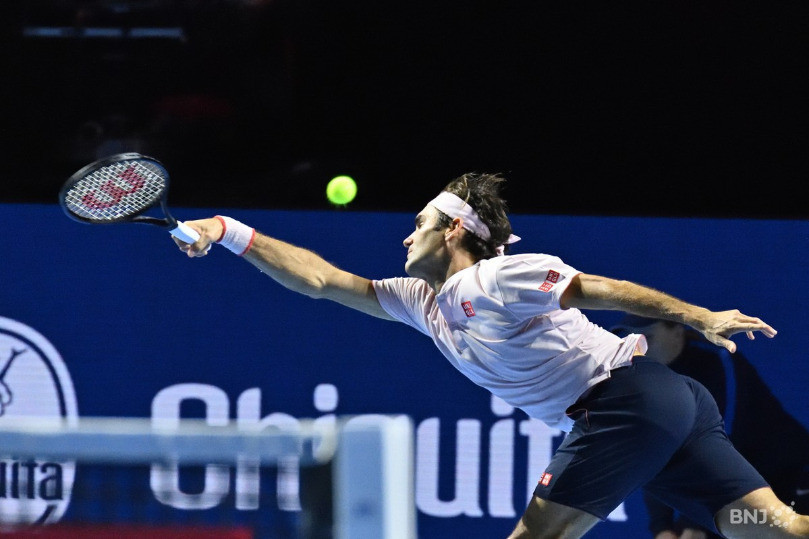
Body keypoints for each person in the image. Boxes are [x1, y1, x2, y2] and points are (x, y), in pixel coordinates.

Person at [173, 173, 808, 538]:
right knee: (775, 531)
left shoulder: (497, 278)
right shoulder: (421, 301)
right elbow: (320, 279)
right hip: (664, 409)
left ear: (453, 230)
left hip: (624, 404)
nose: (405, 233)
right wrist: (228, 231)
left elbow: (606, 290)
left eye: (418, 222)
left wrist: (703, 316)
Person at [611, 315, 809, 539]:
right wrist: (662, 527)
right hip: (730, 489)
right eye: (631, 339)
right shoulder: (641, 378)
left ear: (676, 330)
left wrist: (695, 522)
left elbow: (727, 442)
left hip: (787, 474)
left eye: (648, 337)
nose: (639, 348)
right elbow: (654, 456)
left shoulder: (719, 361)